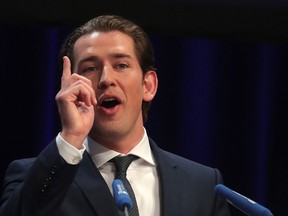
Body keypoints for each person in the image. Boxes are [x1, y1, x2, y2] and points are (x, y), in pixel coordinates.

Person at [0, 15, 231, 216]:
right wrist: (71, 137)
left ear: (148, 85)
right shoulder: (35, 176)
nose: (106, 79)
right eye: (90, 68)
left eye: (121, 65)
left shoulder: (203, 185)